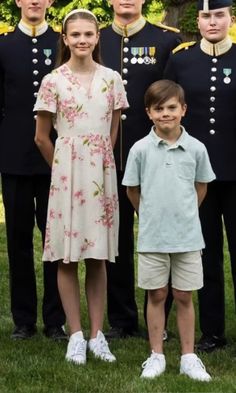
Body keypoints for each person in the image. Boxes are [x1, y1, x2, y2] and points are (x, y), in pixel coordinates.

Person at [34, 9, 129, 365]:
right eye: (75, 35)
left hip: (100, 178)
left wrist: (100, 162)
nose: (82, 41)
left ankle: (96, 335)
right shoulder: (52, 80)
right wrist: (64, 168)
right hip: (66, 179)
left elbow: (112, 129)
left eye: (88, 34)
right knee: (67, 256)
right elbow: (42, 137)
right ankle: (75, 334)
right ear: (65, 38)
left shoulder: (112, 79)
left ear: (97, 37)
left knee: (98, 256)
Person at [122, 79, 215, 380]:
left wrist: (185, 214)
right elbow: (132, 191)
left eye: (171, 108)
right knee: (158, 293)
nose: (165, 114)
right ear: (148, 113)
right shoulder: (139, 150)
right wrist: (149, 215)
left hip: (187, 236)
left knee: (184, 295)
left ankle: (189, 356)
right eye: (158, 109)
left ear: (183, 110)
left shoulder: (197, 149)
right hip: (153, 236)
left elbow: (201, 187)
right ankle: (156, 355)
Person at [100, 0, 181, 339]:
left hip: (155, 158)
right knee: (115, 243)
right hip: (108, 158)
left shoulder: (166, 41)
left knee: (161, 240)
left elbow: (173, 99)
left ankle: (158, 318)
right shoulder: (97, 38)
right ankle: (121, 320)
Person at [164, 0, 236, 352]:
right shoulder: (181, 59)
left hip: (235, 172)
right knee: (205, 255)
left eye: (218, 15)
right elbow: (167, 109)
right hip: (195, 177)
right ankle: (212, 332)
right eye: (206, 15)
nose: (212, 22)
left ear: (230, 19)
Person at [0, 0, 66, 340]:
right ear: (18, 1)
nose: (35, 1)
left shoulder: (63, 42)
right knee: (19, 241)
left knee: (55, 242)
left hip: (57, 158)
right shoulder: (4, 45)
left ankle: (56, 320)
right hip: (14, 159)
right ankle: (23, 320)